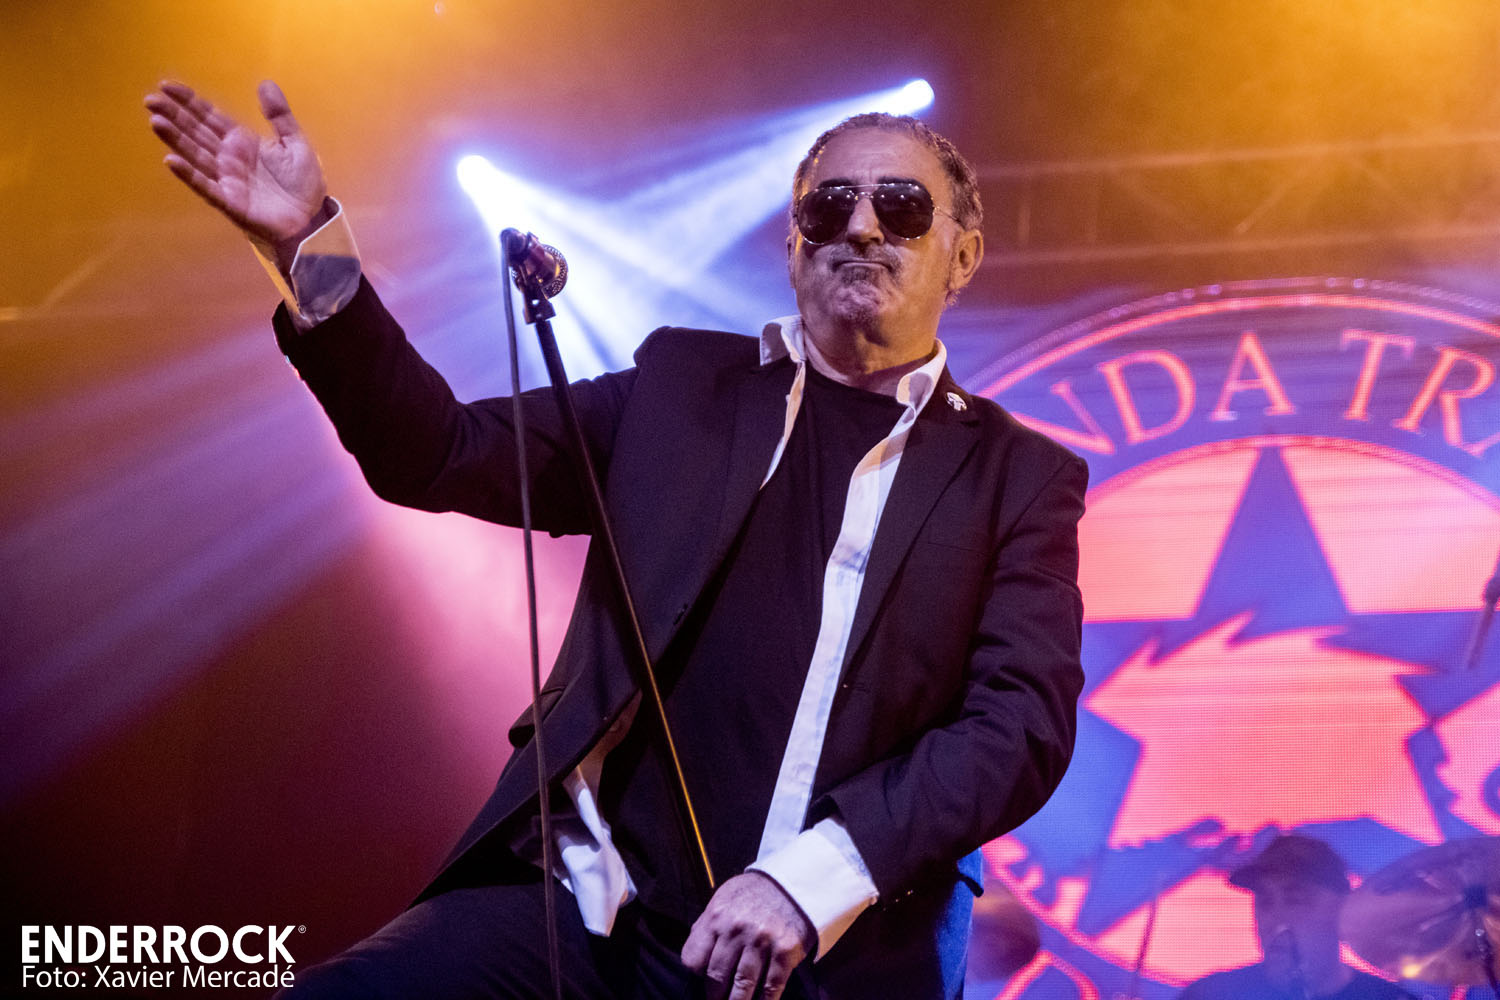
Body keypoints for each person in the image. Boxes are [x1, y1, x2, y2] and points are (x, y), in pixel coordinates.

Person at [145, 79, 1088, 1000]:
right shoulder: (681, 388)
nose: (863, 227)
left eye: (902, 207)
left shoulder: (1018, 477)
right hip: (590, 913)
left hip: (826, 958)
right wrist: (307, 250)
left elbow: (1019, 726)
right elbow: (436, 452)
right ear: (795, 245)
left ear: (963, 256)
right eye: (830, 204)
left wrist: (811, 880)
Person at [1178, 836, 1416, 1000]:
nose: (1276, 919)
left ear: (1342, 908)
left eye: (1295, 901)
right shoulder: (1211, 995)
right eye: (1265, 902)